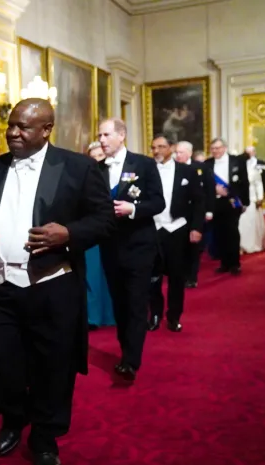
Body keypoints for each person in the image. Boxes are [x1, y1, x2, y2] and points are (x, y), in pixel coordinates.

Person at [0, 99, 113, 465]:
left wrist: (69, 233)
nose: (14, 133)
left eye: (23, 127)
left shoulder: (78, 167)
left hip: (52, 287)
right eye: (11, 126)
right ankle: (12, 419)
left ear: (46, 129)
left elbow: (104, 220)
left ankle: (45, 437)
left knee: (53, 368)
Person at [97, 118, 164, 381]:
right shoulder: (97, 169)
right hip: (110, 247)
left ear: (121, 135)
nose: (101, 140)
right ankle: (126, 349)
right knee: (119, 304)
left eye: (106, 134)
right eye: (99, 135)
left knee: (136, 303)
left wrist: (133, 209)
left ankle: (130, 360)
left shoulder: (144, 164)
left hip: (139, 246)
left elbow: (158, 202)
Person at [148, 135, 204, 333]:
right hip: (153, 229)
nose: (157, 151)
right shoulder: (147, 170)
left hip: (178, 229)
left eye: (161, 147)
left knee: (177, 277)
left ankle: (174, 316)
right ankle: (154, 314)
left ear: (171, 148)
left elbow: (199, 202)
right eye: (154, 147)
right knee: (152, 276)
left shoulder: (187, 171)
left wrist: (196, 228)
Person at [202, 138, 250, 275]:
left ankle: (235, 264)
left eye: (218, 148)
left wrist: (245, 202)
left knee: (232, 232)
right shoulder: (207, 163)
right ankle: (224, 263)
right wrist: (214, 188)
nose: (215, 151)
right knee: (219, 234)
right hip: (215, 203)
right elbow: (204, 184)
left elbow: (244, 182)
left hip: (232, 202)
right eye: (213, 149)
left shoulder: (237, 161)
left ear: (225, 148)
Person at [175, 141, 214, 288]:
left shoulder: (201, 168)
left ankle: (192, 277)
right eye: (177, 152)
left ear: (189, 153)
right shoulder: (174, 168)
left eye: (181, 152)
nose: (178, 155)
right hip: (178, 214)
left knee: (193, 247)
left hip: (195, 213)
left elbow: (209, 191)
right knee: (180, 247)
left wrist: (209, 210)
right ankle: (182, 274)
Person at [84, 141, 114, 328]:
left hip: (115, 230)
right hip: (92, 229)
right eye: (93, 157)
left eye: (100, 157)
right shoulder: (84, 176)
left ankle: (111, 314)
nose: (97, 160)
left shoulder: (117, 174)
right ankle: (93, 317)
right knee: (92, 275)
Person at [240, 147, 265, 253]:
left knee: (251, 223)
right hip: (239, 200)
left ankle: (252, 244)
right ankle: (241, 246)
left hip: (252, 199)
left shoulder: (254, 169)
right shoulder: (237, 167)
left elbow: (259, 184)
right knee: (240, 224)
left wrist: (260, 198)